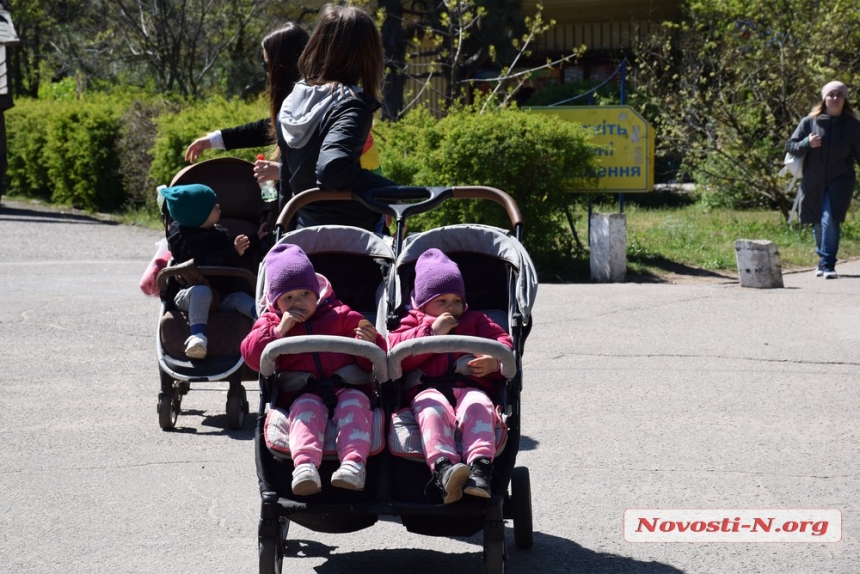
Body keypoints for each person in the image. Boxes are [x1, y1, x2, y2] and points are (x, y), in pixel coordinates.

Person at [241, 243, 386, 495]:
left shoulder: (340, 314)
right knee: (305, 414)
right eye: (288, 298)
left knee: (355, 407)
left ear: (317, 292)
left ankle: (353, 464)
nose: (298, 302)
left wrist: (369, 343)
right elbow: (252, 356)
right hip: (302, 391)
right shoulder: (271, 322)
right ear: (276, 302)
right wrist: (278, 332)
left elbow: (374, 359)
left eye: (305, 294)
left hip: (347, 386)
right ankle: (305, 466)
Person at [387, 248, 514, 504]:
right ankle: (444, 470)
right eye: (441, 301)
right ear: (423, 303)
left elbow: (504, 342)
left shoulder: (477, 321)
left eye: (456, 300)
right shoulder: (411, 322)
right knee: (431, 412)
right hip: (427, 390)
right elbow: (393, 350)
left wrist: (494, 363)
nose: (451, 308)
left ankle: (480, 469)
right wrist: (431, 332)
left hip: (470, 387)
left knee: (479, 407)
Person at [279, 4, 396, 232]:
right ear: (367, 53)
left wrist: (283, 235)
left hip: (304, 230)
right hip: (353, 236)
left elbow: (287, 182)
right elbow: (332, 170)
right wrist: (387, 190)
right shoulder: (351, 104)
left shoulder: (293, 99)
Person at [184, 23, 309, 209]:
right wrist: (214, 139)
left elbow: (326, 168)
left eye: (267, 65)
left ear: (283, 64)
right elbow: (269, 127)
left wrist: (282, 172)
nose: (267, 73)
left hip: (311, 215)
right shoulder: (299, 100)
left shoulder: (312, 103)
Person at [161, 184, 267, 359]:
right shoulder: (184, 241)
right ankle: (197, 337)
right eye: (213, 205)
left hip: (221, 298)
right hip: (189, 295)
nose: (218, 206)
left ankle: (267, 321)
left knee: (241, 298)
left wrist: (255, 239)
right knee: (202, 291)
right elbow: (204, 261)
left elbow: (235, 250)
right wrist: (232, 252)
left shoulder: (216, 232)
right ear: (199, 216)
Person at [786, 80, 860, 279]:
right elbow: (790, 146)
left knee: (830, 220)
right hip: (813, 180)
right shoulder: (809, 122)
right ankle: (823, 260)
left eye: (839, 95)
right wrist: (806, 143)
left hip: (841, 180)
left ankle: (827, 264)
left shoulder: (853, 126)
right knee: (817, 222)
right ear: (824, 98)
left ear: (845, 100)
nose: (835, 98)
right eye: (831, 95)